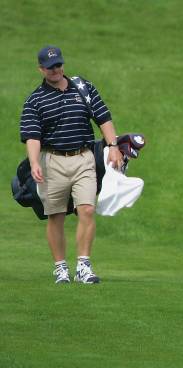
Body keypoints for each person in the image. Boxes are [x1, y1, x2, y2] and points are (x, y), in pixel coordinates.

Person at [20, 45, 123, 284]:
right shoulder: (35, 100)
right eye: (49, 67)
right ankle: (60, 267)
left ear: (63, 65)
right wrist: (34, 162)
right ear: (41, 69)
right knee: (56, 215)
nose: (55, 70)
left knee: (86, 209)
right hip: (52, 161)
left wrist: (114, 146)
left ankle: (83, 266)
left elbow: (103, 117)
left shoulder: (83, 87)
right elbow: (32, 136)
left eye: (58, 65)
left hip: (83, 157)